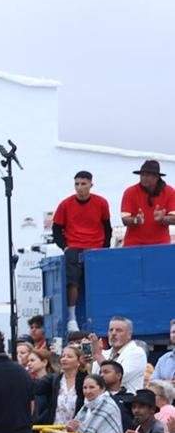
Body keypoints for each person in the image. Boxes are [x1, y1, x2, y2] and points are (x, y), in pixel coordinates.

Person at [51, 170, 113, 317]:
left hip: (96, 248)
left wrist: (105, 248)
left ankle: (102, 314)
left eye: (83, 184)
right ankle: (72, 317)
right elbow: (56, 228)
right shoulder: (65, 204)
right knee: (72, 282)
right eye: (77, 184)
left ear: (91, 184)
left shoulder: (101, 203)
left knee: (100, 283)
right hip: (74, 247)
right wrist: (65, 247)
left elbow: (107, 227)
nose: (79, 187)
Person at [119, 159, 174, 247]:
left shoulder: (170, 191)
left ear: (156, 177)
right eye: (142, 174)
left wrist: (163, 219)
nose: (143, 177)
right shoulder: (130, 192)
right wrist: (136, 220)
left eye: (147, 175)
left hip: (161, 244)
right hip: (134, 244)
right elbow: (125, 220)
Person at [102, 316, 149, 394]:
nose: (113, 333)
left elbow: (115, 379)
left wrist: (98, 356)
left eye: (119, 330)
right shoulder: (104, 353)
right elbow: (93, 379)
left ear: (129, 335)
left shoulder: (137, 353)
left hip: (126, 403)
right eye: (111, 330)